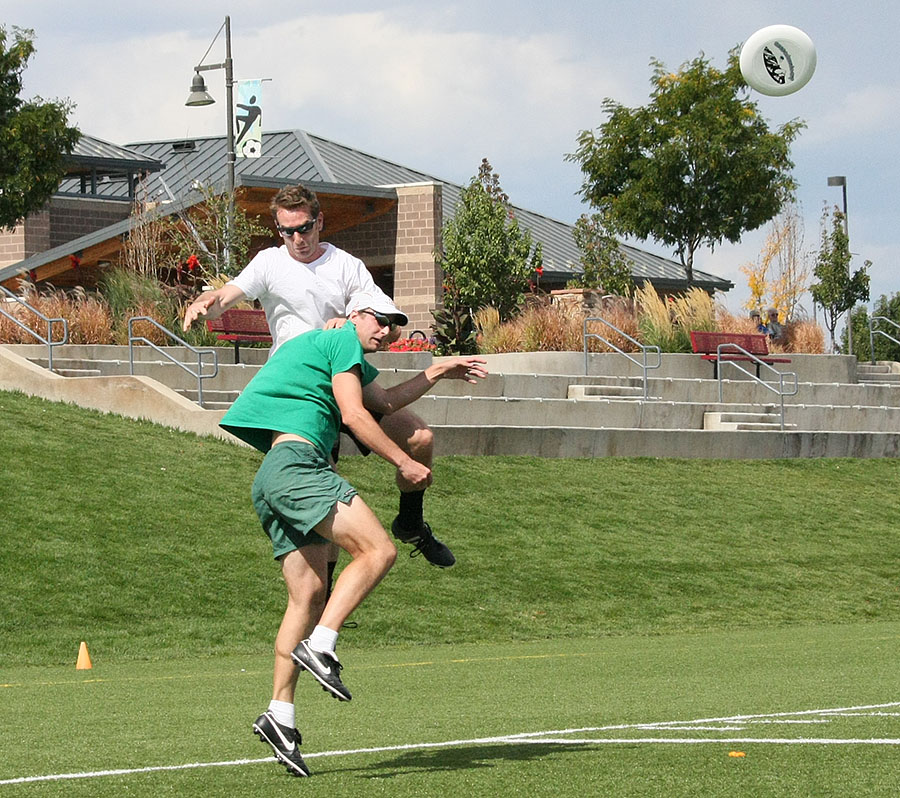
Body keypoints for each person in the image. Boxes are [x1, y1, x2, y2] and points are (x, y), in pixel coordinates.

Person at [218, 297, 487, 777]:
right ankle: (322, 645)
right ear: (355, 316)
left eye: (394, 327)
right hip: (301, 466)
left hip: (273, 476)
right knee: (378, 551)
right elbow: (357, 417)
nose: (386, 332)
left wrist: (439, 370)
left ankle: (280, 715)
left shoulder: (342, 352)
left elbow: (381, 403)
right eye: (379, 321)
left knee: (309, 595)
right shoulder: (341, 339)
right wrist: (403, 462)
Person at [182, 184, 455, 571]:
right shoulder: (270, 263)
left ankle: (410, 522)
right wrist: (203, 303)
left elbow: (392, 328)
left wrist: (354, 321)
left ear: (319, 221)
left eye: (304, 229)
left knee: (420, 438)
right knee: (327, 492)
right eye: (286, 231)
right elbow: (226, 297)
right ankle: (324, 611)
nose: (297, 239)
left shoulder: (345, 266)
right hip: (302, 388)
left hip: (345, 372)